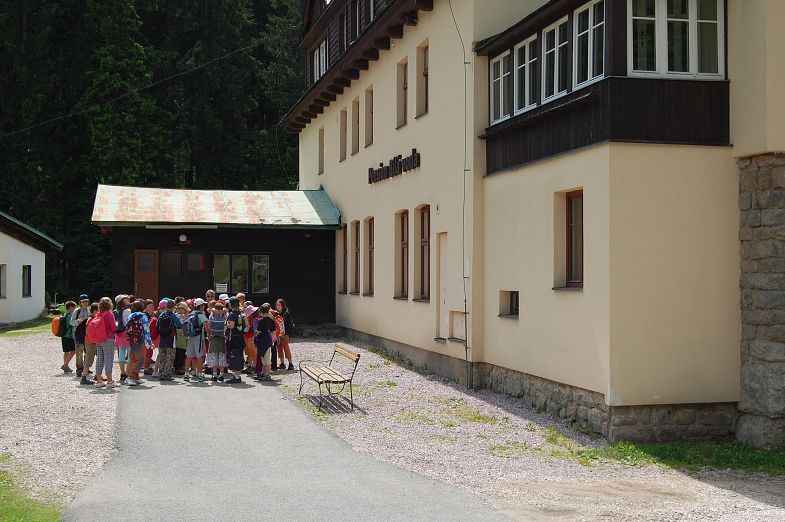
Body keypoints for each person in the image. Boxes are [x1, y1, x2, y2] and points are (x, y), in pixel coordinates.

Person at [88, 297, 118, 388]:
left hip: (99, 339)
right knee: (108, 358)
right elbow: (113, 327)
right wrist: (117, 324)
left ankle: (99, 380)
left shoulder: (98, 314)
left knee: (100, 359)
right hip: (108, 338)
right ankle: (110, 381)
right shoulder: (109, 314)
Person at [125, 301, 152, 386]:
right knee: (139, 359)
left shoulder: (130, 316)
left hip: (131, 340)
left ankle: (136, 377)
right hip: (140, 340)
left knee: (133, 358)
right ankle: (131, 377)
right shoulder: (143, 316)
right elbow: (146, 329)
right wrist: (149, 342)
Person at [154, 299, 182, 380]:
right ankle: (166, 374)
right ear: (173, 307)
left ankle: (161, 372)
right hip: (171, 338)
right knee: (170, 356)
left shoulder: (162, 314)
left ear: (166, 306)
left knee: (162, 355)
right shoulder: (172, 315)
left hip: (162, 338)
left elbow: (157, 325)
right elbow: (179, 325)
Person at [184, 298, 210, 382]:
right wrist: (209, 334)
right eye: (204, 305)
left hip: (190, 337)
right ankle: (200, 375)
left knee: (189, 356)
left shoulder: (190, 314)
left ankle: (186, 374)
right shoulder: (201, 315)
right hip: (198, 337)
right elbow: (206, 326)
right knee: (199, 356)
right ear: (201, 306)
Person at [225, 297, 249, 384]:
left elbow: (231, 325)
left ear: (230, 305)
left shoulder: (232, 314)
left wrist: (226, 324)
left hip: (233, 338)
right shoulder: (241, 313)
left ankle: (237, 377)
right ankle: (237, 375)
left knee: (234, 356)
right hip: (240, 337)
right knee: (239, 355)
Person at [253, 303, 276, 381]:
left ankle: (267, 374)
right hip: (268, 340)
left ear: (261, 312)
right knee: (266, 358)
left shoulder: (261, 321)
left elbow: (258, 332)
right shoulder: (271, 320)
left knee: (265, 359)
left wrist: (256, 333)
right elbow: (273, 330)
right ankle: (264, 373)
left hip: (262, 340)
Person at [70, 295, 91, 375]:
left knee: (87, 351)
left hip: (87, 334)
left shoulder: (89, 310)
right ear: (80, 303)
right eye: (83, 301)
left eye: (87, 301)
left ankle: (86, 368)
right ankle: (79, 369)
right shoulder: (77, 311)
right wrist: (78, 321)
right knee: (79, 351)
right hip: (78, 333)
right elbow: (71, 322)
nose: (85, 303)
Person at [80, 302, 100, 385]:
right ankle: (84, 377)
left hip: (94, 341)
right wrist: (94, 339)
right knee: (89, 359)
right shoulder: (91, 319)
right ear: (95, 310)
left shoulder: (94, 318)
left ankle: (98, 375)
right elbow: (88, 331)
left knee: (99, 357)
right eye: (99, 309)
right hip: (90, 342)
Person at [207, 302, 227, 382]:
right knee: (222, 356)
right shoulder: (224, 318)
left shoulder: (211, 317)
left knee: (213, 356)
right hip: (222, 338)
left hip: (213, 338)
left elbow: (209, 327)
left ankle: (215, 375)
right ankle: (221, 375)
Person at [113, 294, 132, 382]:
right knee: (130, 353)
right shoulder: (128, 311)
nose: (128, 299)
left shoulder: (115, 311)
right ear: (122, 301)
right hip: (127, 332)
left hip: (119, 333)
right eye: (125, 298)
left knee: (121, 352)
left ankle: (122, 373)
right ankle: (127, 373)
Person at [276, 299, 295, 371]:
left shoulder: (286, 314)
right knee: (279, 347)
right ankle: (282, 363)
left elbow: (288, 325)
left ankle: (290, 363)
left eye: (279, 305)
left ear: (283, 306)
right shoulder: (276, 313)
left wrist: (285, 334)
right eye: (277, 305)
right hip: (278, 333)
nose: (278, 306)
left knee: (285, 347)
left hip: (285, 333)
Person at [60, 301, 77, 373]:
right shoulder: (71, 316)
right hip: (69, 336)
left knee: (66, 352)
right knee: (74, 351)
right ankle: (65, 365)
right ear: (71, 307)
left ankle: (66, 367)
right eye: (74, 308)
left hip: (64, 336)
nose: (75, 309)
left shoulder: (65, 314)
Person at [174, 301, 190, 374]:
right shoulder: (176, 316)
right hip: (178, 337)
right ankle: (178, 368)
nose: (180, 310)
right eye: (179, 308)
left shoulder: (187, 316)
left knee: (181, 353)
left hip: (183, 338)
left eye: (182, 308)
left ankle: (179, 367)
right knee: (179, 353)